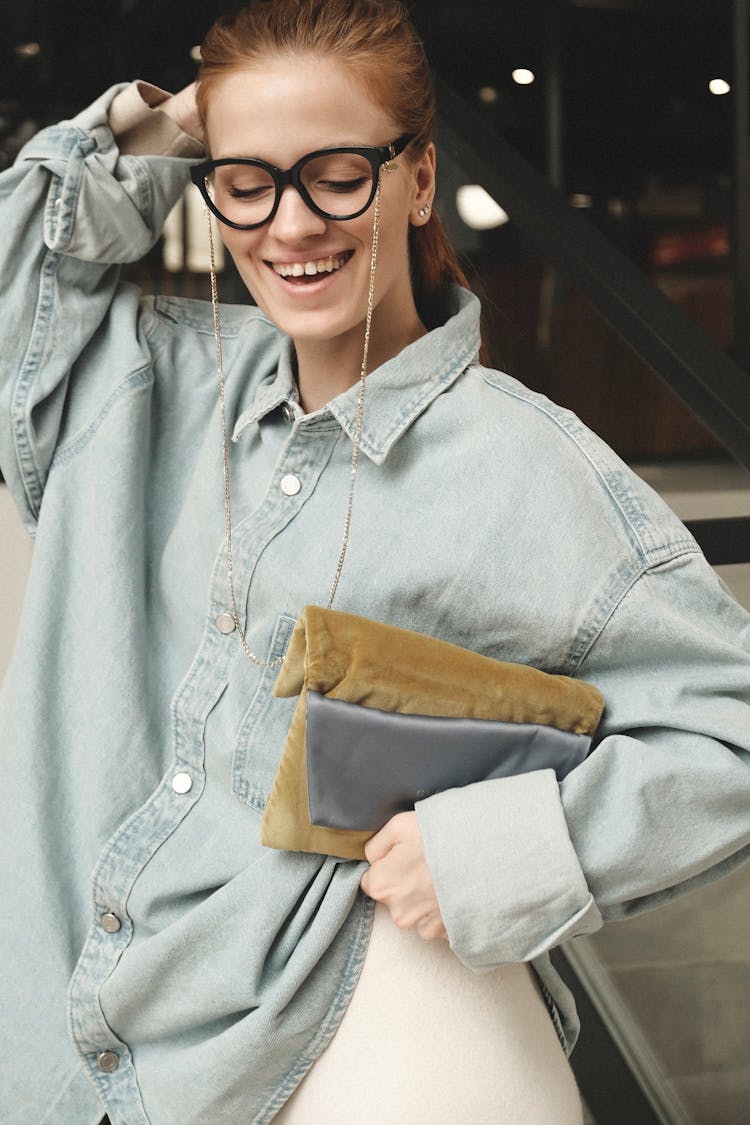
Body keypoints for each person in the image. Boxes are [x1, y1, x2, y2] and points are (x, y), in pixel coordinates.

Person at [1, 1, 749, 1122]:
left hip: (309, 1037)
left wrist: (494, 850)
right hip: (46, 1023)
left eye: (337, 171)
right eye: (247, 181)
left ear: (417, 180)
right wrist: (183, 123)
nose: (290, 224)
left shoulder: (528, 469)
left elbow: (731, 728)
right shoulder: (137, 378)